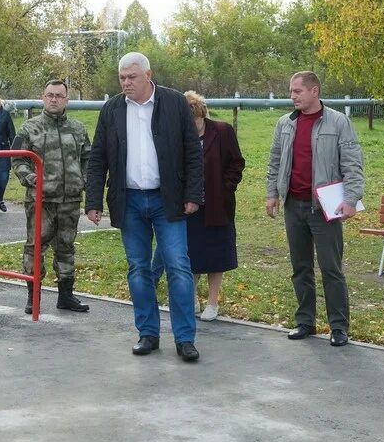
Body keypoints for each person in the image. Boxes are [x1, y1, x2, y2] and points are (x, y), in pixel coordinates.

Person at [86, 52, 204, 362]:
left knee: (178, 266)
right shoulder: (111, 109)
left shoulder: (175, 103)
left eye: (132, 77)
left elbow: (192, 151)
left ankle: (184, 338)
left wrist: (193, 193)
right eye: (122, 77)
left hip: (169, 199)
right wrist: (94, 201)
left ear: (147, 75)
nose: (126, 82)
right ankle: (148, 333)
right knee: (138, 268)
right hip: (130, 201)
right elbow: (98, 157)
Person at [265, 71, 365, 347]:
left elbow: (353, 164)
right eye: (291, 91)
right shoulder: (285, 124)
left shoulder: (337, 122)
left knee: (331, 268)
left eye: (297, 91)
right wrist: (272, 194)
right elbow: (275, 162)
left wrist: (352, 199)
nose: (293, 96)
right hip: (293, 206)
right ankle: (305, 321)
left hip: (324, 207)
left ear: (314, 91)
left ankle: (338, 326)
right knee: (300, 267)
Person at [151, 91, 245, 321]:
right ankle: (191, 297)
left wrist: (225, 187)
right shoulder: (178, 137)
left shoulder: (222, 131)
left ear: (202, 115)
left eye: (194, 120)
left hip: (217, 205)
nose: (191, 126)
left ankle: (213, 303)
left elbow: (236, 163)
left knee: (216, 254)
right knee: (189, 253)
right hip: (188, 206)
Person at [12, 80, 91, 314]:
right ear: (43, 98)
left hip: (70, 200)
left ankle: (66, 296)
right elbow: (17, 159)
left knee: (66, 248)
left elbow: (88, 158)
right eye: (50, 95)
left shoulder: (78, 129)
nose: (54, 99)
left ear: (66, 99)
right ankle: (32, 296)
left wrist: (83, 179)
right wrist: (31, 179)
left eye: (59, 95)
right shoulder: (29, 128)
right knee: (35, 248)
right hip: (41, 201)